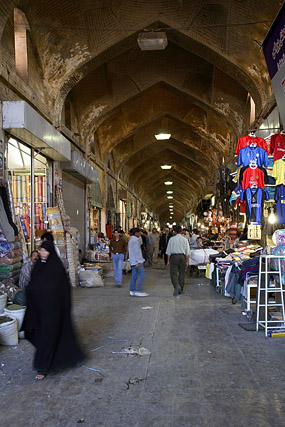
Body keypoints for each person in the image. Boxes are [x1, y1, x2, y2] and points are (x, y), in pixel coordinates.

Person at [21, 240, 84, 380]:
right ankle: (47, 364)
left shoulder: (56, 268)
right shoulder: (38, 266)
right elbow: (32, 285)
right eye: (41, 250)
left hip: (53, 312)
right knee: (43, 337)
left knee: (48, 338)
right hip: (39, 311)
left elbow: (62, 290)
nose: (42, 253)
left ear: (51, 252)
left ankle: (42, 368)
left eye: (45, 250)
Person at [166, 225, 191, 296]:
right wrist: (187, 261)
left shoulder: (171, 239)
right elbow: (187, 252)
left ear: (175, 231)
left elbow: (168, 252)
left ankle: (176, 286)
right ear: (181, 231)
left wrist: (168, 261)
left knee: (173, 273)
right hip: (182, 257)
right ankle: (181, 289)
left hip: (174, 257)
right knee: (182, 273)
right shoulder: (185, 240)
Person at [128, 228, 149, 297]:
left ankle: (132, 290)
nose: (140, 234)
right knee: (142, 275)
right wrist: (139, 262)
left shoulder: (131, 240)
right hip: (137, 261)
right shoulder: (136, 240)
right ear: (135, 233)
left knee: (134, 276)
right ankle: (139, 290)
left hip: (133, 260)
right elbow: (137, 252)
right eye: (139, 232)